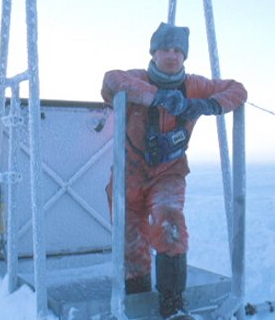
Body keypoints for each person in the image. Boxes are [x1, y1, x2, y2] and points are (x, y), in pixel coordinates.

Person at [101, 22, 247, 320]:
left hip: (169, 172)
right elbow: (111, 81)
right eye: (165, 49)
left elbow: (238, 89)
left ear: (185, 56)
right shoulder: (137, 78)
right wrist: (156, 97)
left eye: (178, 50)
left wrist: (208, 104)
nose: (171, 55)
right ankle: (137, 302)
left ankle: (173, 308)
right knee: (132, 243)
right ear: (153, 52)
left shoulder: (194, 86)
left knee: (170, 221)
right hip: (130, 173)